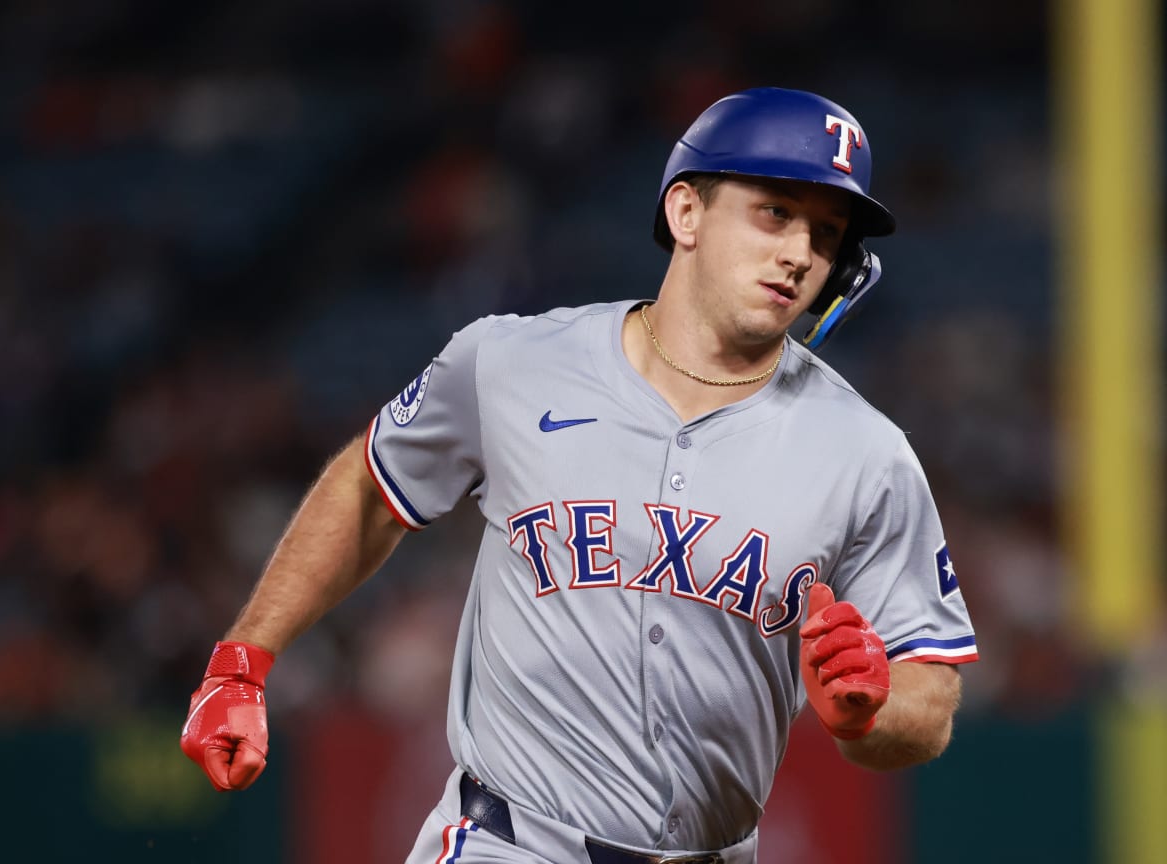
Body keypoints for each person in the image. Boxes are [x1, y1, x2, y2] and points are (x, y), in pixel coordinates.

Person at [180, 86, 979, 864]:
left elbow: (930, 699)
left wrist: (872, 713)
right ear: (686, 211)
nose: (800, 253)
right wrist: (243, 661)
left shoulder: (863, 451)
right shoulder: (511, 362)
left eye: (826, 233)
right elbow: (371, 489)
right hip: (510, 844)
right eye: (775, 212)